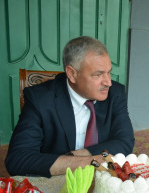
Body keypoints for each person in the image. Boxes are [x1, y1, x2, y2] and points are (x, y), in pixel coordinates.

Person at [5, 36, 134, 178]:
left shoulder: (115, 93)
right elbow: (18, 159)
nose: (108, 82)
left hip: (102, 181)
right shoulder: (40, 99)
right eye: (98, 75)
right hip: (57, 181)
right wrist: (88, 162)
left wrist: (76, 155)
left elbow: (125, 140)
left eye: (108, 72)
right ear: (72, 74)